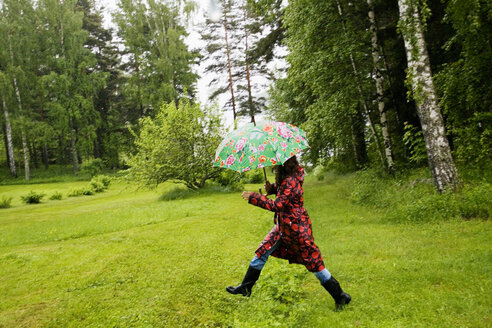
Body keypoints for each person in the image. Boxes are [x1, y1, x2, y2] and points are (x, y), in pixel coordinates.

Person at [226, 156, 351, 310]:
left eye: (277, 163)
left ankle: (340, 296)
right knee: (263, 250)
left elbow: (278, 205)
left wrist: (254, 198)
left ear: (285, 163)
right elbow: (284, 195)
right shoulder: (287, 178)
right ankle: (245, 287)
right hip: (283, 225)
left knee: (313, 262)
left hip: (297, 228)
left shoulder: (290, 180)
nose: (274, 165)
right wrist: (272, 189)